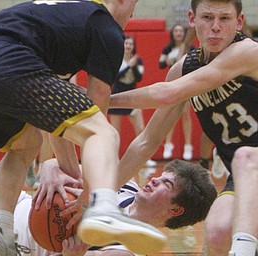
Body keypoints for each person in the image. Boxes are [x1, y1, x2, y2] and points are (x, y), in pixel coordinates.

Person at [0, 1, 165, 256]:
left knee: (25, 145)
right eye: (133, 6)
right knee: (103, 133)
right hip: (5, 62)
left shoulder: (62, 18)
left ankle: (1, 232)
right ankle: (104, 207)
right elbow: (96, 114)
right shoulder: (106, 27)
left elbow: (59, 125)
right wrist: (89, 193)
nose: (132, 14)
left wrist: (71, 175)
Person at [109, 0, 258, 255]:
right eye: (207, 17)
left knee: (247, 156)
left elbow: (167, 94)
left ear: (239, 22)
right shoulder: (182, 70)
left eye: (224, 19)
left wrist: (102, 101)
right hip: (243, 175)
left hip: (250, 162)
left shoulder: (248, 52)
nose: (215, 27)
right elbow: (147, 141)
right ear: (192, 18)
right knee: (217, 231)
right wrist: (101, 195)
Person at [0, 123, 217, 256]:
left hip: (14, 243)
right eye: (161, 176)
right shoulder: (122, 182)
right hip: (7, 200)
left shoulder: (127, 251)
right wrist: (49, 167)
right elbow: (61, 165)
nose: (154, 180)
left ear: (175, 209)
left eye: (166, 184)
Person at [108, 35, 156, 167]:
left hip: (133, 97)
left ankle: (145, 159)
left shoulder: (137, 61)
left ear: (133, 47)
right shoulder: (116, 59)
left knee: (141, 129)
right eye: (126, 43)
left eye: (131, 44)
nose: (128, 46)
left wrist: (133, 66)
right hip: (117, 96)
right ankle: (114, 159)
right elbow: (115, 77)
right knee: (114, 131)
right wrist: (128, 66)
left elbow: (139, 77)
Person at [159, 24, 194, 161]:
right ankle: (168, 144)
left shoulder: (190, 48)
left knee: (185, 113)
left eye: (181, 31)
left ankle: (188, 145)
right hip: (172, 85)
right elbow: (161, 63)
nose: (178, 33)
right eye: (176, 31)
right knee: (170, 114)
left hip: (186, 85)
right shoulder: (168, 48)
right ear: (172, 34)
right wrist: (166, 60)